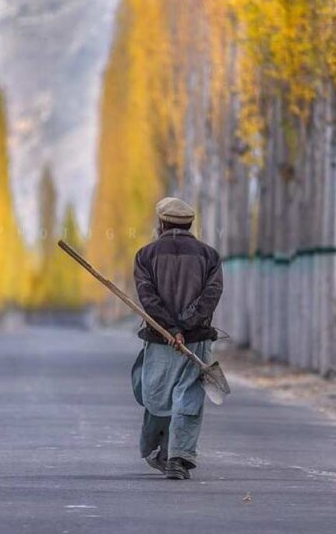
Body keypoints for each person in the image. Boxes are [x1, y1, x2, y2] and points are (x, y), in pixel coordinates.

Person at [131, 197, 222, 480]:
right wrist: (186, 325)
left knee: (156, 395)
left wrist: (171, 329)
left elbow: (148, 297)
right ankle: (178, 457)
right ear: (191, 224)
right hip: (195, 340)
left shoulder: (146, 255)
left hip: (161, 340)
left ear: (161, 223)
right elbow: (211, 295)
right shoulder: (209, 255)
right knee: (188, 397)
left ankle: (157, 450)